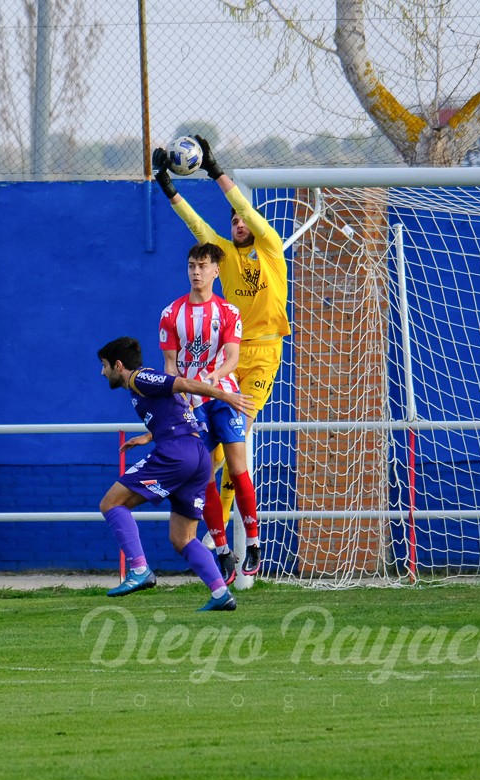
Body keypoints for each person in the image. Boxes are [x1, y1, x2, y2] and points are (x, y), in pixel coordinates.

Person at [152, 135, 291, 580]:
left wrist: (214, 170)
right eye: (232, 220)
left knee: (237, 447)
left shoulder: (270, 247)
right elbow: (196, 227)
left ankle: (245, 542)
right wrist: (168, 188)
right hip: (223, 359)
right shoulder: (222, 256)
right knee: (205, 459)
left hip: (261, 353)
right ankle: (221, 544)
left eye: (242, 218)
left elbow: (248, 210)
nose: (237, 222)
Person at [96, 336, 253, 611]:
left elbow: (181, 384)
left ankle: (139, 570)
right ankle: (221, 594)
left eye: (104, 365)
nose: (102, 372)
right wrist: (149, 435)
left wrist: (225, 395)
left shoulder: (138, 378)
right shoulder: (143, 384)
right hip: (197, 456)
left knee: (111, 503)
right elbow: (177, 406)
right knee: (183, 538)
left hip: (177, 454)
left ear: (118, 365)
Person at [143, 242, 260, 585]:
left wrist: (215, 377)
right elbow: (169, 367)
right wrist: (177, 403)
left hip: (225, 394)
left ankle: (252, 541)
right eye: (192, 265)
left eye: (203, 266)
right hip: (192, 403)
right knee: (205, 474)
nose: (196, 271)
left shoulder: (228, 312)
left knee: (238, 467)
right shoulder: (171, 314)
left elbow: (233, 358)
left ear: (215, 271)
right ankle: (222, 550)